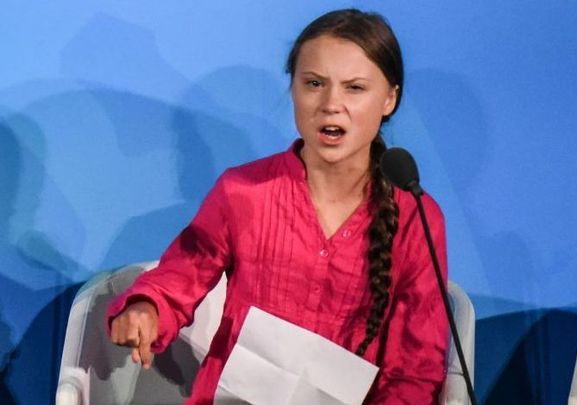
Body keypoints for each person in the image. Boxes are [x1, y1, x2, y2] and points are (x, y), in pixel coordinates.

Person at [108, 8, 449, 404]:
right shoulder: (244, 191)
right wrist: (146, 309)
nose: (330, 103)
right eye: (314, 83)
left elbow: (416, 368)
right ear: (293, 90)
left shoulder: (415, 217)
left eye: (354, 88)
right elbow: (181, 275)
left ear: (389, 98)